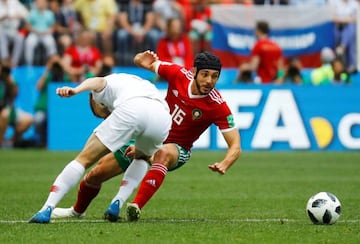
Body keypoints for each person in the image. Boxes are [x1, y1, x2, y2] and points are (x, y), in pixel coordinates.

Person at [50, 50, 241, 222]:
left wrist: (225, 164)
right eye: (205, 75)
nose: (209, 81)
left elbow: (235, 146)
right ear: (193, 72)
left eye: (215, 76)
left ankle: (135, 206)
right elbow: (147, 63)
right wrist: (140, 59)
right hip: (151, 134)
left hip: (178, 148)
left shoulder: (217, 105)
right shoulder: (177, 74)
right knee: (95, 175)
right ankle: (77, 211)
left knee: (163, 153)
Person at [28, 70, 172, 223]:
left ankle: (47, 208)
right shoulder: (138, 83)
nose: (105, 115)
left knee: (83, 159)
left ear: (93, 99)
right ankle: (117, 202)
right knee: (142, 156)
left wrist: (75, 90)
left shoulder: (104, 88)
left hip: (133, 109)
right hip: (162, 116)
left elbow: (96, 82)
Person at [0, 63, 33, 147]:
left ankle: (11, 141)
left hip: (8, 110)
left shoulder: (7, 80)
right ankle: (1, 142)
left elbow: (15, 94)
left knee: (28, 119)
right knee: (4, 114)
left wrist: (10, 81)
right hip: (3, 112)